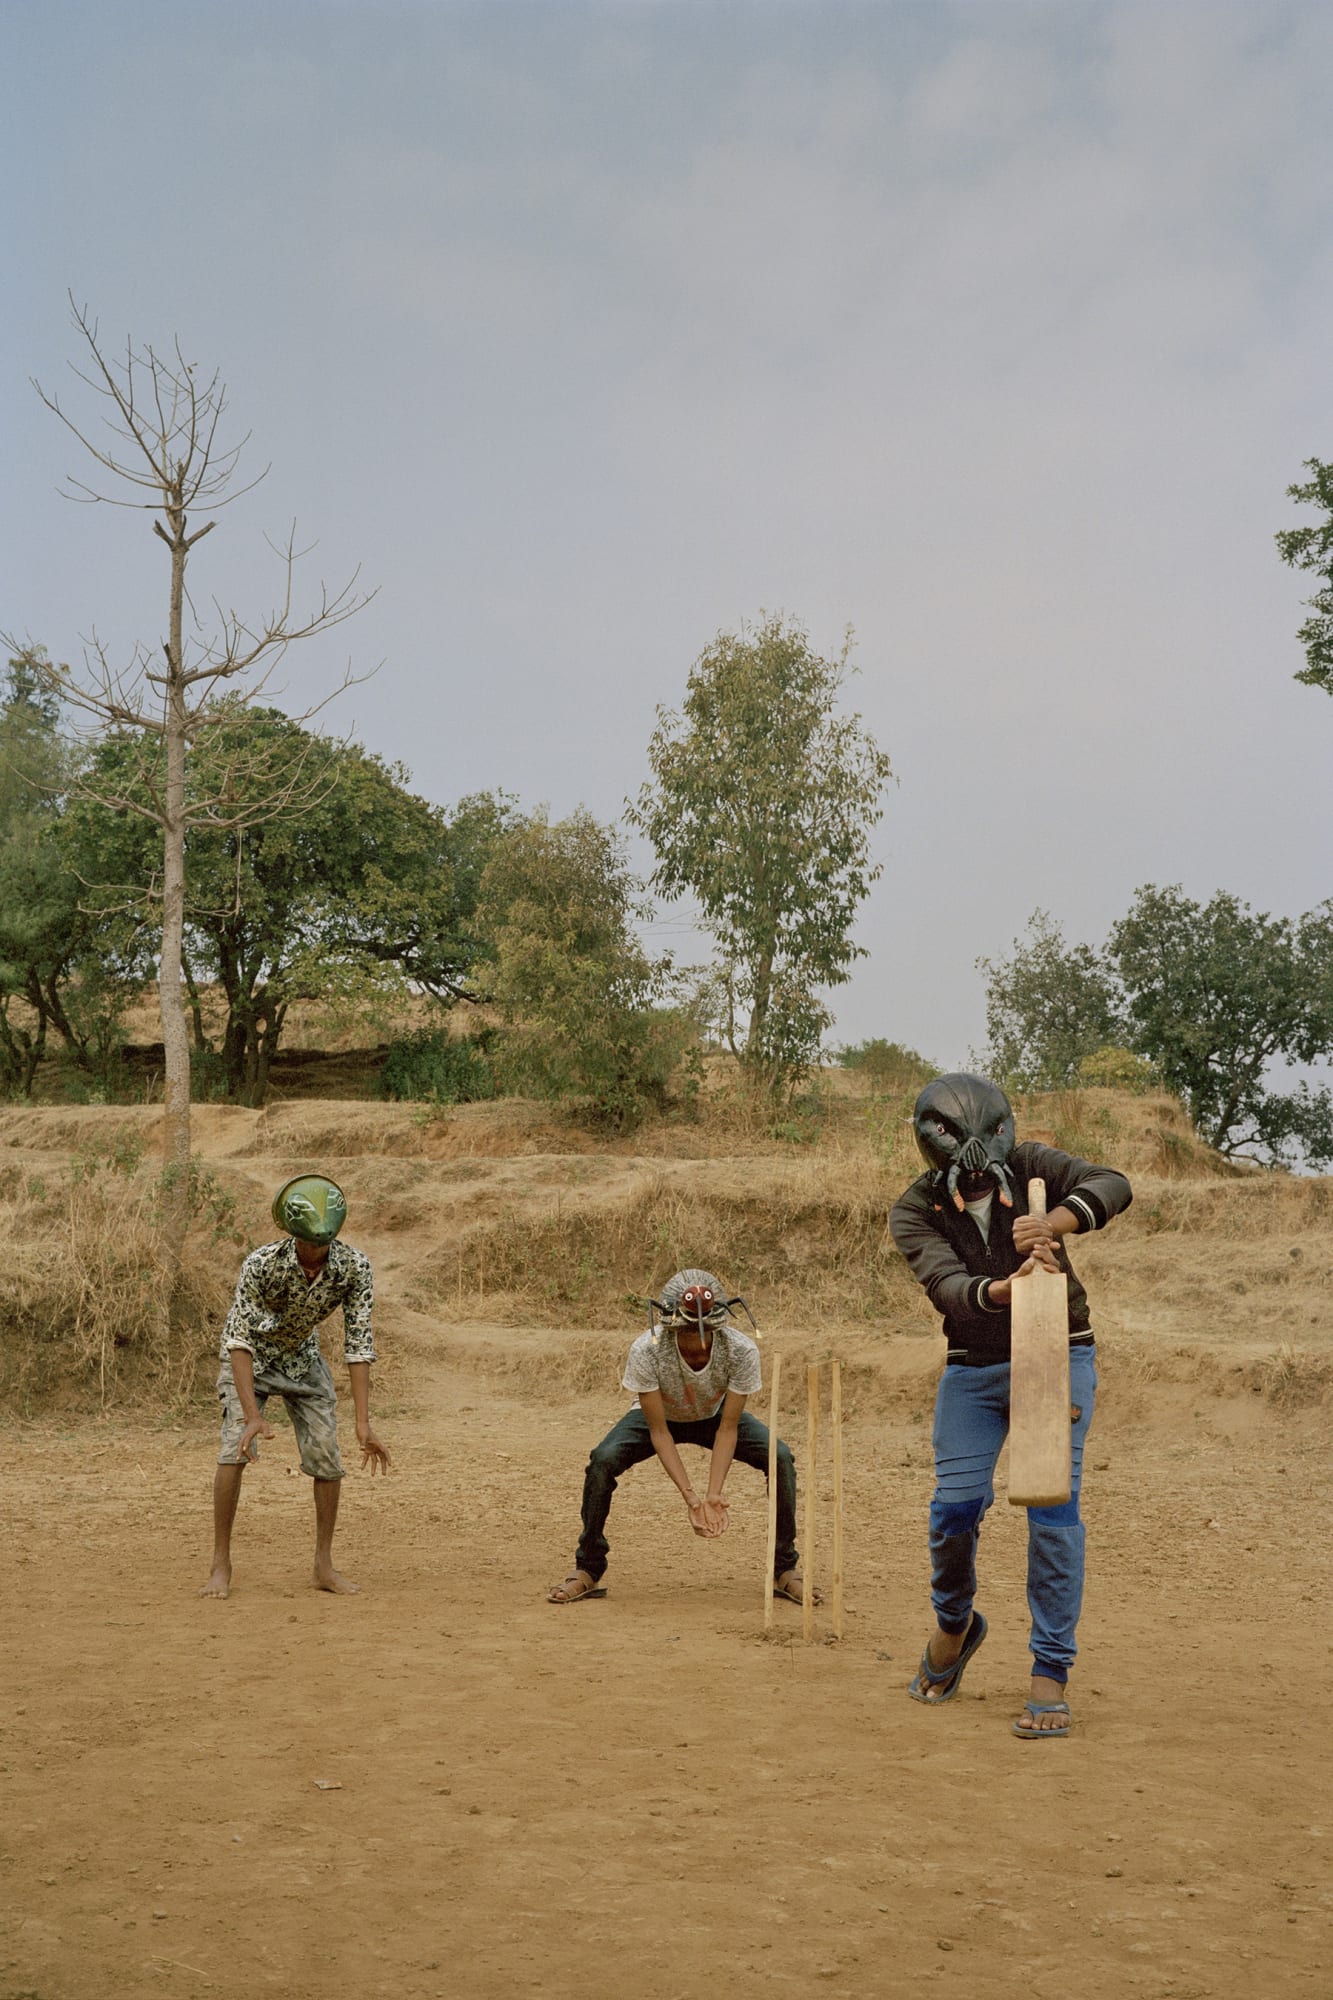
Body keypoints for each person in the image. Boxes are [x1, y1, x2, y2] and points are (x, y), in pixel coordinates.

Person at [889, 1074, 1132, 1739]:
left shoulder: (1031, 1167)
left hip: (1056, 1354)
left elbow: (1112, 1184)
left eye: (982, 1178)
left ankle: (1047, 1676)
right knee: (954, 1508)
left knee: (1052, 1510)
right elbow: (945, 1286)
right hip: (973, 1369)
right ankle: (954, 1625)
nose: (973, 1189)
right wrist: (1004, 1288)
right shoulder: (912, 1211)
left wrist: (1049, 1222)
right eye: (962, 1180)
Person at [547, 1268, 813, 1606]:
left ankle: (785, 1568)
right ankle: (588, 1567)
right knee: (602, 1461)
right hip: (658, 1418)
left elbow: (728, 1428)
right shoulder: (647, 1349)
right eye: (686, 1331)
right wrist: (691, 1498)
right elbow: (659, 1431)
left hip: (716, 1416)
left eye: (706, 1332)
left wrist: (713, 1495)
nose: (698, 1341)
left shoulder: (741, 1350)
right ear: (669, 1325)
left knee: (780, 1457)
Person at [199, 1174, 391, 1600]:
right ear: (290, 1234)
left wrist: (363, 1423)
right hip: (249, 1362)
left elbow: (359, 1344)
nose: (313, 1255)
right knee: (234, 1450)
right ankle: (220, 1564)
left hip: (302, 1360)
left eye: (321, 1246)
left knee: (327, 1455)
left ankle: (323, 1565)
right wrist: (252, 1416)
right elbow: (239, 1340)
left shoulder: (354, 1267)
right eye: (305, 1245)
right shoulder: (261, 1264)